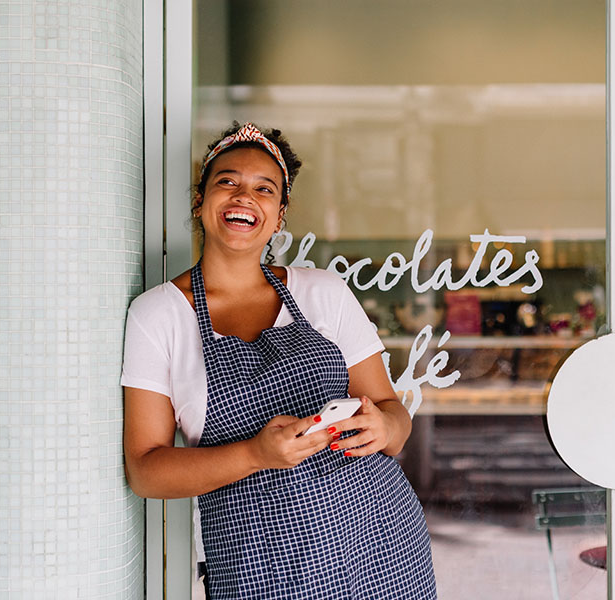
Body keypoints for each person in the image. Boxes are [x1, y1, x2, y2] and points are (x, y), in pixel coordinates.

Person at [122, 122, 437, 599]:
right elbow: (146, 471)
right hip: (258, 566)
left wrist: (385, 429)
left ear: (279, 214)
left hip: (380, 543)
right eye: (227, 181)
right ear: (200, 199)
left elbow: (391, 414)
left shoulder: (323, 292)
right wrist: (255, 454)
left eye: (263, 189)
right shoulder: (158, 314)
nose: (243, 196)